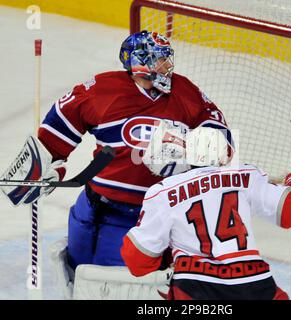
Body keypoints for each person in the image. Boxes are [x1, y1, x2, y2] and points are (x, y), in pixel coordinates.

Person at [0, 30, 233, 272]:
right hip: (98, 207)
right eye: (160, 59)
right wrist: (45, 163)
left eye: (167, 58)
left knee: (127, 283)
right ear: (140, 62)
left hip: (155, 216)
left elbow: (221, 138)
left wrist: (190, 149)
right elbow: (61, 121)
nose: (167, 65)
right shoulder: (102, 90)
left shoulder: (185, 92)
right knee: (76, 272)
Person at [121, 127, 291, 300]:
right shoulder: (246, 175)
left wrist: (167, 255)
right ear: (225, 155)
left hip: (194, 285)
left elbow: (137, 260)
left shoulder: (163, 191)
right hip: (252, 283)